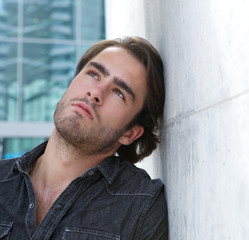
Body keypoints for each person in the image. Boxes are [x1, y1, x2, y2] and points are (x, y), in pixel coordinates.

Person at [0, 36, 168, 239]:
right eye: (93, 74)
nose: (95, 92)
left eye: (119, 92)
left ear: (130, 133)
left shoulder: (141, 206)